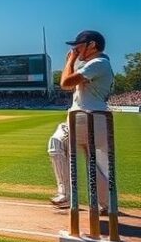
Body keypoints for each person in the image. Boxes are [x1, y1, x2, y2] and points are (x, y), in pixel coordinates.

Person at [48, 30, 114, 210]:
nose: (75, 49)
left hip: (85, 117)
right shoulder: (97, 65)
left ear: (92, 45)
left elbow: (65, 83)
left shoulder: (98, 63)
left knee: (57, 143)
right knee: (94, 163)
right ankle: (106, 204)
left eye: (78, 45)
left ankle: (65, 194)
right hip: (95, 118)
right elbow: (71, 86)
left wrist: (69, 60)